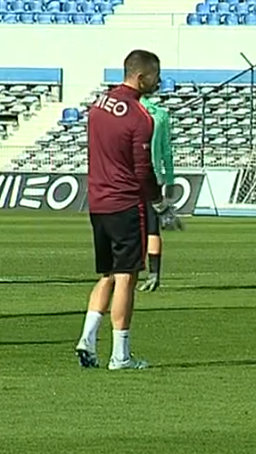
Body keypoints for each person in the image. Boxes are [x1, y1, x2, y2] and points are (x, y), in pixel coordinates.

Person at [74, 49, 160, 371]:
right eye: (155, 75)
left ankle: (87, 338)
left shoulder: (99, 105)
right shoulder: (140, 117)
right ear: (141, 77)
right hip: (125, 203)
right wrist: (158, 198)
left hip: (98, 201)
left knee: (107, 274)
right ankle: (120, 355)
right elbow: (142, 170)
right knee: (126, 277)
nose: (158, 81)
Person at [138, 93, 175, 292]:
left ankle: (124, 273)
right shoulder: (160, 114)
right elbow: (167, 151)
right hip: (154, 177)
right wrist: (170, 180)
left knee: (128, 227)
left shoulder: (126, 112)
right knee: (153, 228)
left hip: (129, 177)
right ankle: (154, 275)